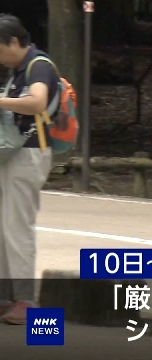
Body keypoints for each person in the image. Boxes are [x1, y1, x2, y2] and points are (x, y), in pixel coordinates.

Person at [0, 14, 57, 325]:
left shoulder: (39, 65)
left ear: (14, 42)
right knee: (3, 227)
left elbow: (37, 102)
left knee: (17, 227)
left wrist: (1, 101)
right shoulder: (19, 69)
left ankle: (25, 300)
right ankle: (8, 298)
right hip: (13, 155)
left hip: (29, 153)